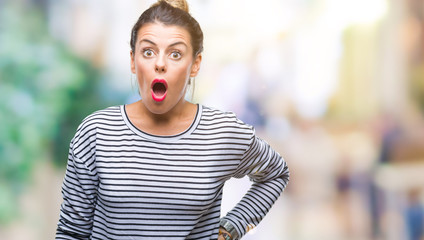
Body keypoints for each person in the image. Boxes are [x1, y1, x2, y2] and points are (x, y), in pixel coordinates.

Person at [55, 0, 289, 239]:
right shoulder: (96, 132)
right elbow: (72, 231)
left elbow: (276, 173)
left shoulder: (221, 132)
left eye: (175, 53)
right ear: (133, 60)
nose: (160, 64)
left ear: (195, 64)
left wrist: (232, 227)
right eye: (148, 51)